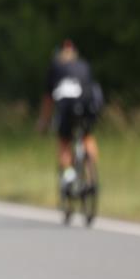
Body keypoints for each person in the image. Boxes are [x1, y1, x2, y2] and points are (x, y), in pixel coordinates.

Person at [37, 39, 101, 195]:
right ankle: (91, 175)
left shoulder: (56, 67)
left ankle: (69, 175)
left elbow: (48, 99)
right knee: (87, 137)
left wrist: (43, 122)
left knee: (64, 141)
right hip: (87, 109)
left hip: (66, 109)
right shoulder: (84, 65)